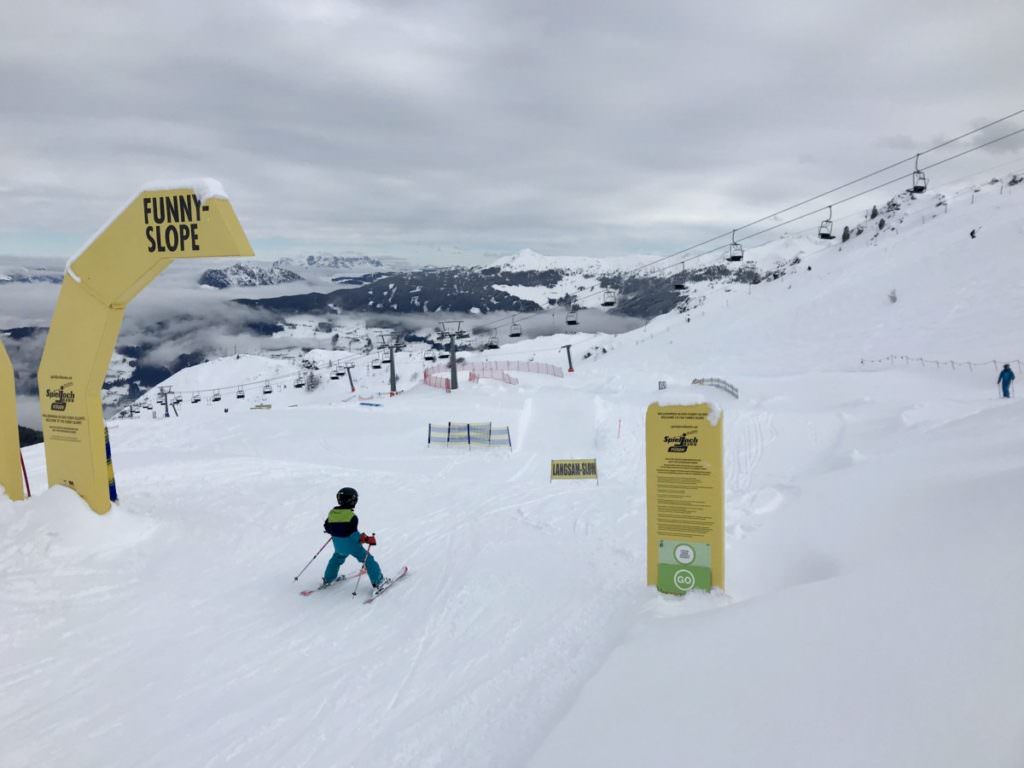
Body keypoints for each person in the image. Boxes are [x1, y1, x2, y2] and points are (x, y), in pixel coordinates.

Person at [322, 487, 391, 591]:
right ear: (352, 501)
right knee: (368, 560)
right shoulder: (351, 516)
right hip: (352, 546)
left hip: (338, 546)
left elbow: (327, 527)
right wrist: (366, 539)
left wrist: (334, 531)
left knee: (335, 560)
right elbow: (353, 534)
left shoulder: (332, 513)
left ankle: (328, 579)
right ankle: (379, 582)